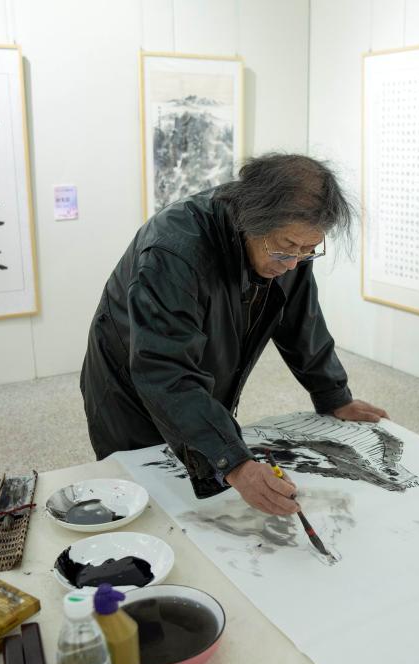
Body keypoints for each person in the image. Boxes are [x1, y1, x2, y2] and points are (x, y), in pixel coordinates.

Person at [80, 153, 387, 516]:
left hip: (192, 372)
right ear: (251, 220)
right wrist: (236, 463)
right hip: (128, 386)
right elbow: (164, 369)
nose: (293, 263)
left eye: (308, 250)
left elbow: (301, 321)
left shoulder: (289, 248)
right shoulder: (174, 249)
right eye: (288, 247)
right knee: (146, 498)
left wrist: (333, 393)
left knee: (204, 490)